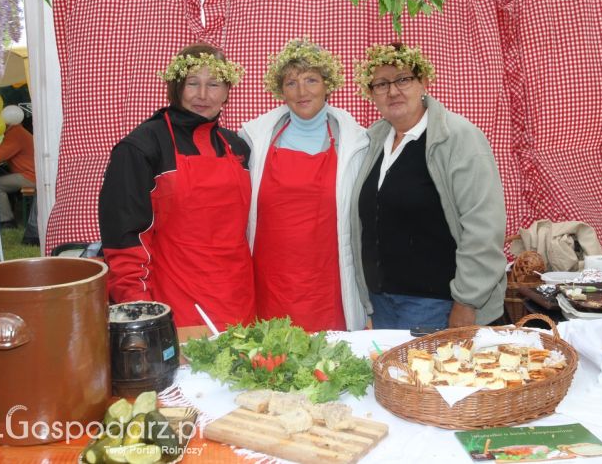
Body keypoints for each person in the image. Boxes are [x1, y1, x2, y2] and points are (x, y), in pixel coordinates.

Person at [350, 43, 507, 329]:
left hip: (437, 303)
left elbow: (484, 226)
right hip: (382, 301)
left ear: (423, 82)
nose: (393, 91)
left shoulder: (457, 137)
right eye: (381, 84)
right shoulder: (372, 141)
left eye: (403, 79)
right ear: (370, 94)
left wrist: (466, 301)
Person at [99, 44, 255, 329]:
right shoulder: (142, 147)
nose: (202, 95)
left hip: (238, 301)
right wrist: (140, 310)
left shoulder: (238, 147)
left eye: (214, 84)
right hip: (173, 307)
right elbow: (124, 240)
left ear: (227, 92)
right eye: (193, 83)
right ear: (176, 86)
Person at [240, 38, 369, 332]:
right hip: (271, 281)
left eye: (311, 80)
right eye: (291, 83)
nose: (301, 92)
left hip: (328, 282)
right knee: (272, 353)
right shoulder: (253, 139)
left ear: (327, 84)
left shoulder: (357, 142)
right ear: (280, 90)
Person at [0, 123, 36, 231]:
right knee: (1, 178)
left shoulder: (15, 134)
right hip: (31, 175)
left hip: (30, 177)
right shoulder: (17, 131)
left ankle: (7, 221)